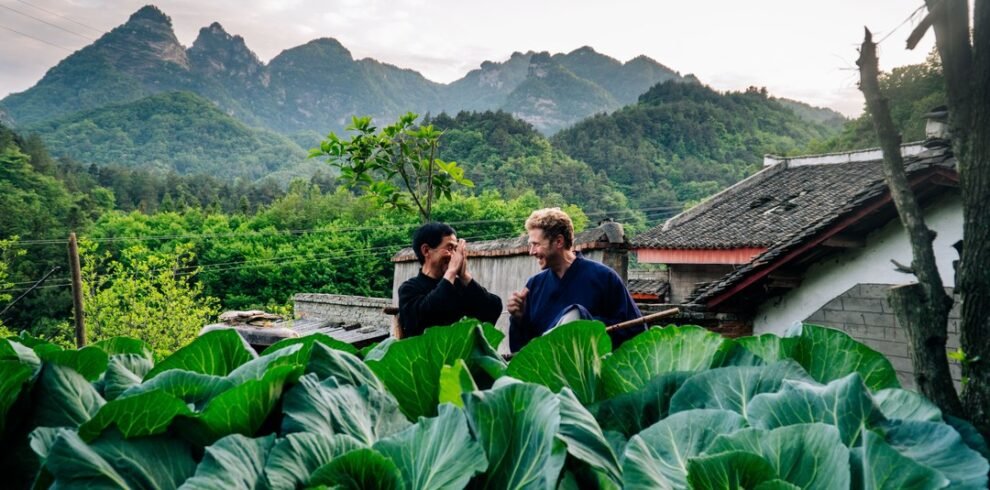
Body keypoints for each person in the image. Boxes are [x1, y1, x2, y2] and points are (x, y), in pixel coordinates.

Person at [508, 208, 643, 352]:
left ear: (559, 241)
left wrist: (584, 326)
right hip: (550, 373)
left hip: (592, 371)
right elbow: (520, 352)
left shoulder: (603, 277)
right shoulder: (534, 286)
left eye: (536, 244)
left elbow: (635, 331)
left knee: (575, 313)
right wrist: (518, 319)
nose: (531, 252)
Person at [398, 222, 502, 337]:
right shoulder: (409, 289)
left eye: (456, 250)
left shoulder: (459, 287)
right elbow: (422, 321)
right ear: (426, 250)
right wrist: (451, 272)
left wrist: (465, 276)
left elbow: (493, 310)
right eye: (450, 248)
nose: (454, 256)